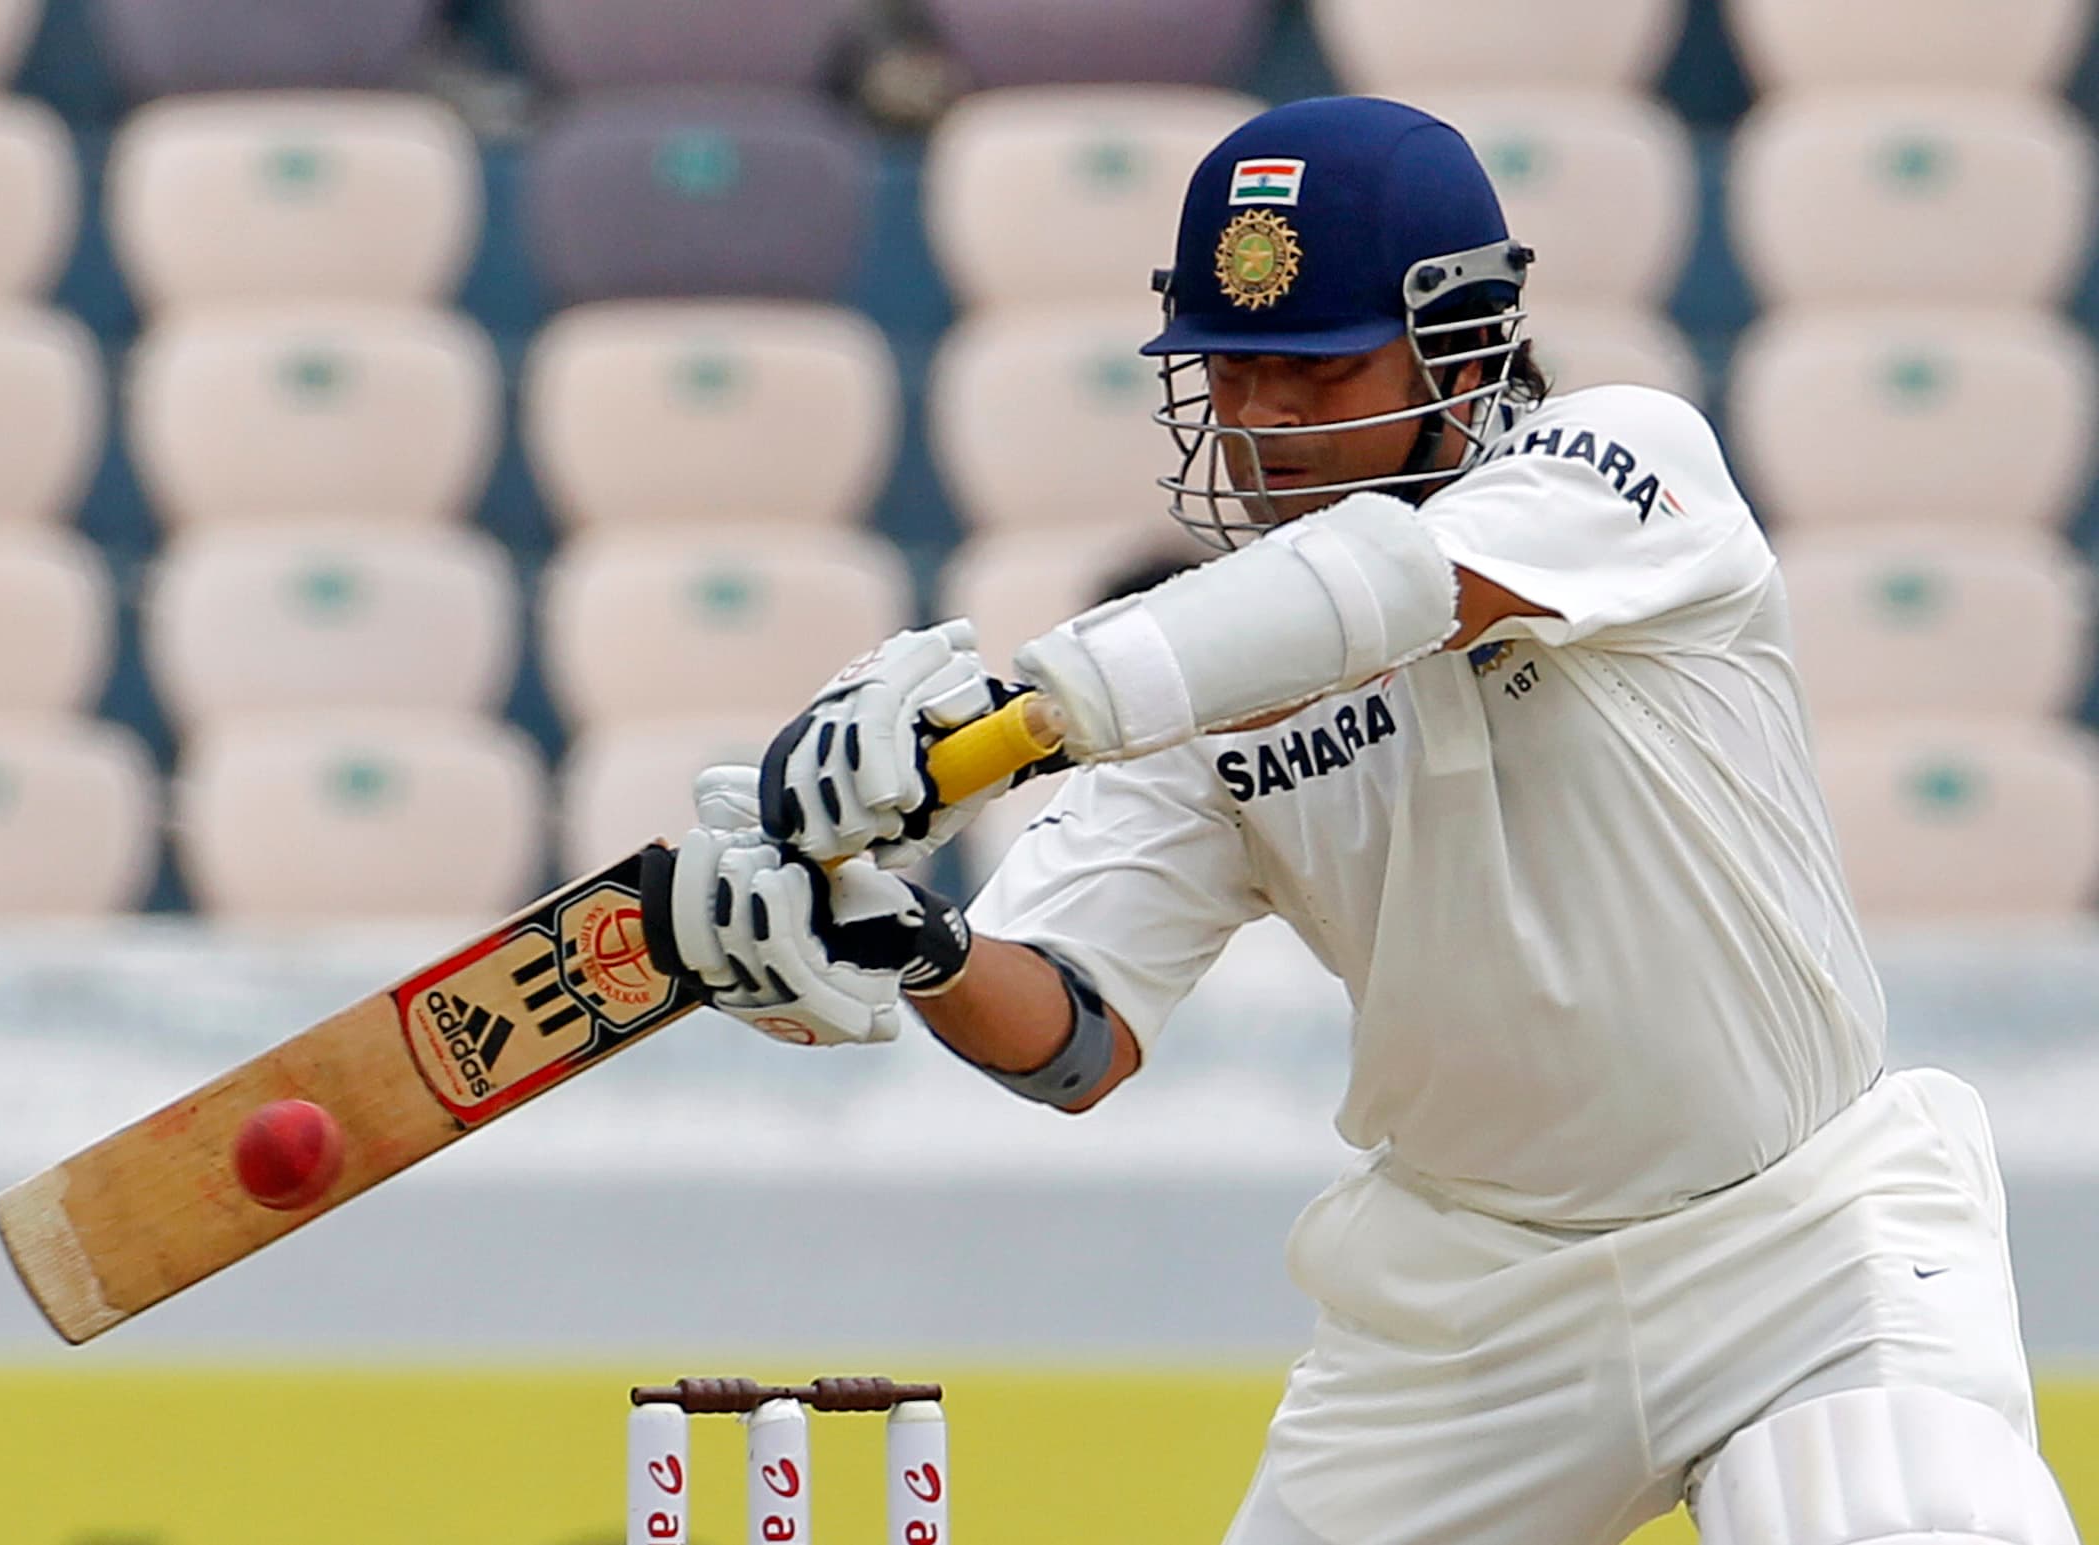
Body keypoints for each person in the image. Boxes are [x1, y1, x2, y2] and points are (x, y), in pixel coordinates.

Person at [639, 97, 2082, 1544]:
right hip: (1469, 1305)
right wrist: (920, 946)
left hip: (1805, 1244)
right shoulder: (1188, 686)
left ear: (1463, 355)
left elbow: (1387, 593)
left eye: (1312, 374)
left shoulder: (1625, 470)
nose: (1260, 421)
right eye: (1231, 371)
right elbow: (1074, 1035)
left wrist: (1010, 721)